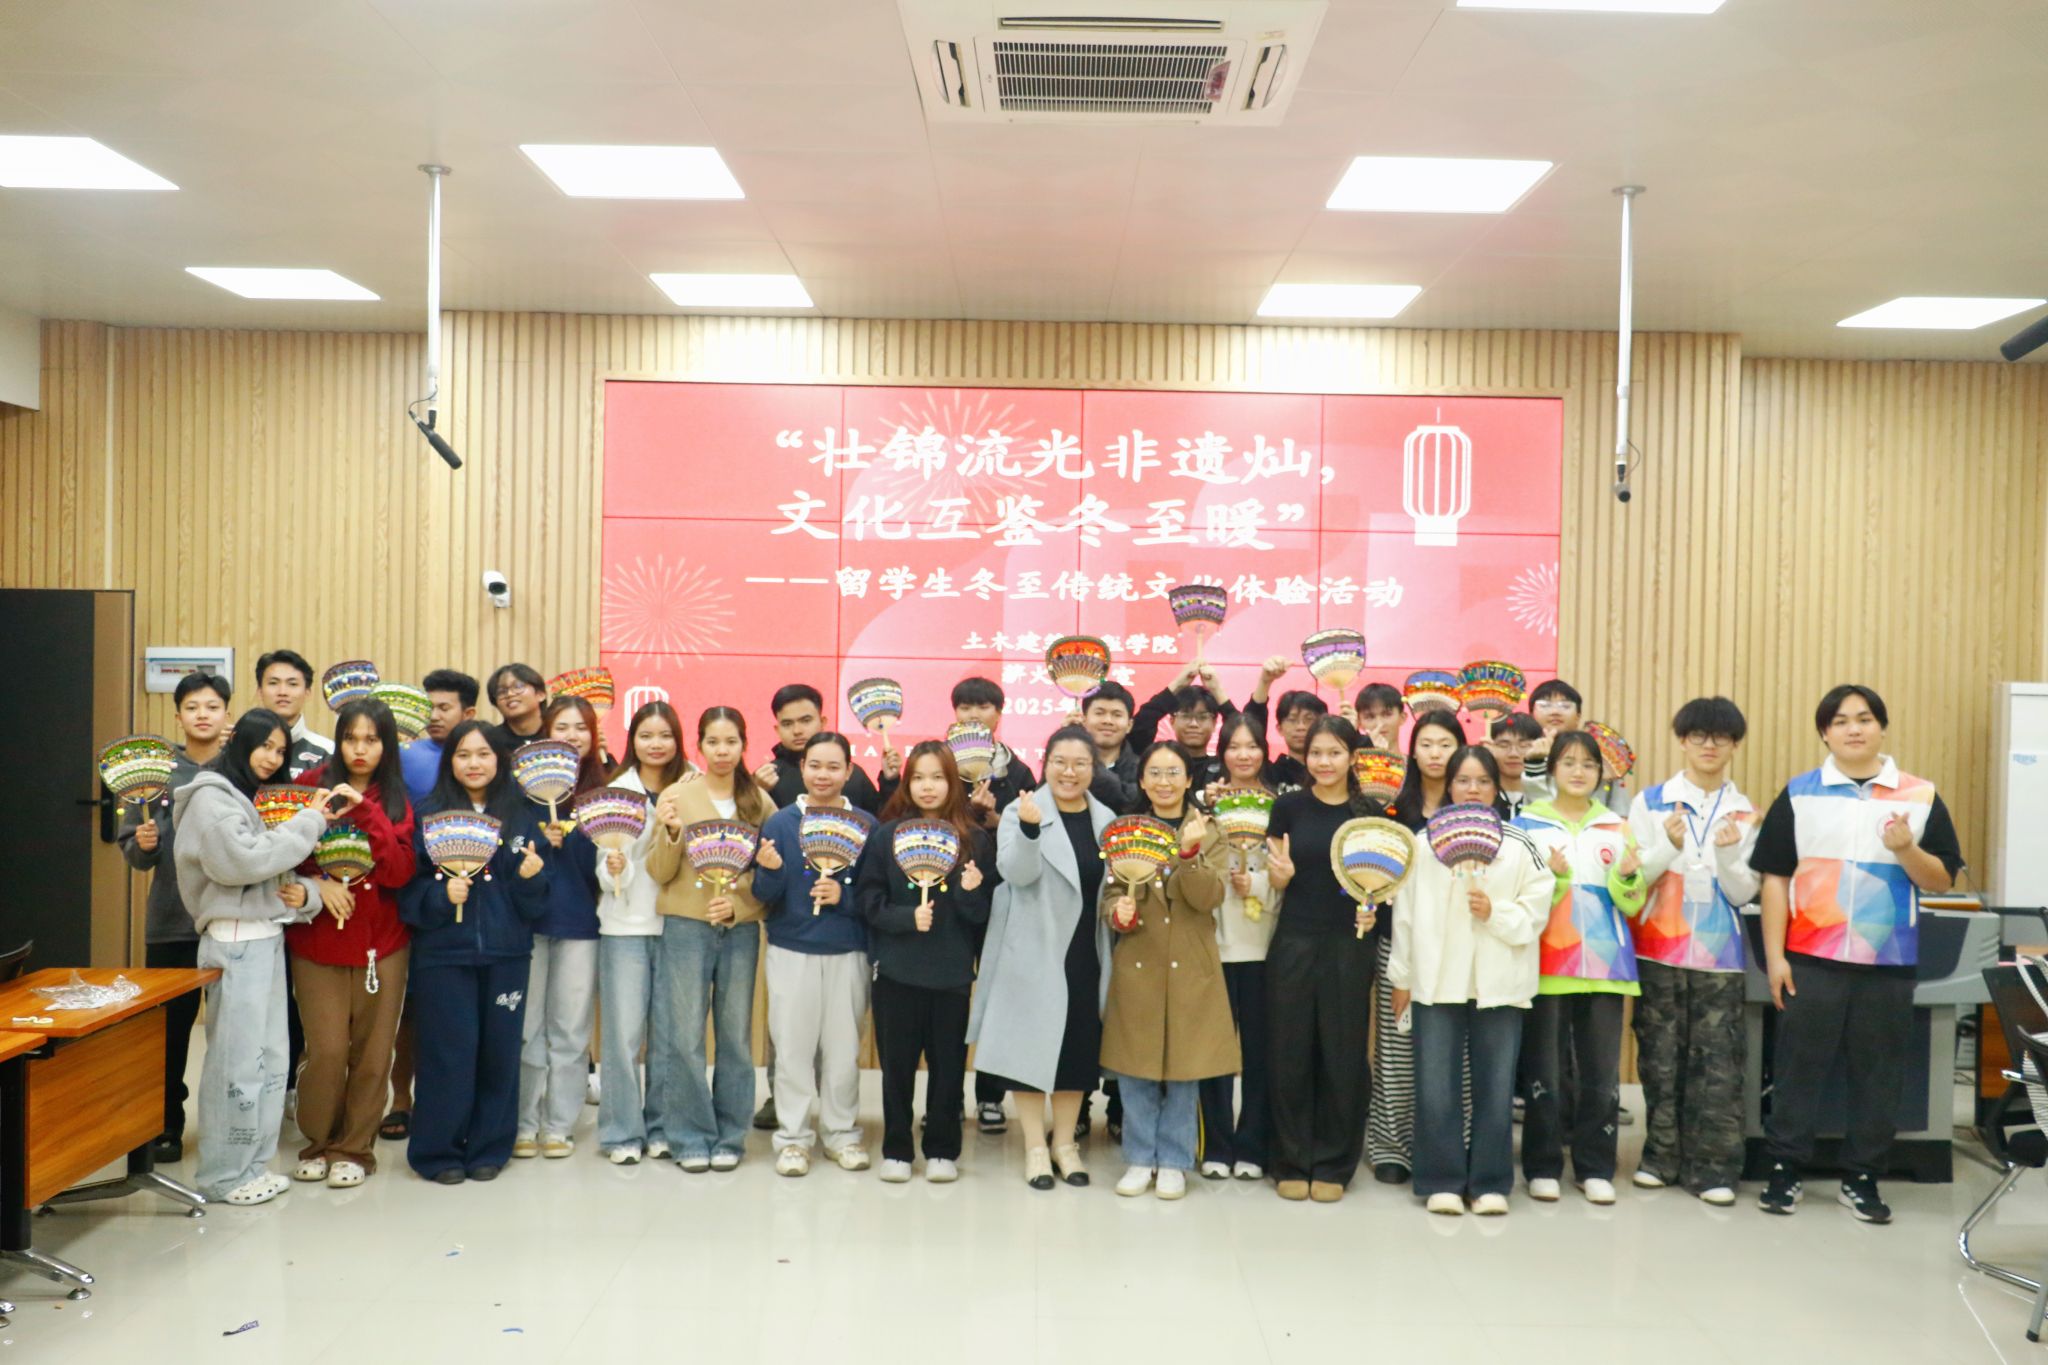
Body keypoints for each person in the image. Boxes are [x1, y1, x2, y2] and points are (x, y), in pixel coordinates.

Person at [1751, 684, 1963, 1224]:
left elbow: (1942, 879)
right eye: (1840, 720)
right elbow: (1774, 878)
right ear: (1825, 733)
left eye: (1864, 719)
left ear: (1881, 728)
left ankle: (1862, 1177)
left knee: (1879, 1074)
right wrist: (1776, 957)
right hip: (1810, 958)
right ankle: (1785, 1170)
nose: (1853, 729)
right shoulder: (1800, 793)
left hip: (1887, 965)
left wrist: (1906, 849)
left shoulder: (1920, 796)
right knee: (1798, 1068)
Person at [173, 708, 351, 1205]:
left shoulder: (246, 796)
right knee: (237, 1064)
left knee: (270, 1060)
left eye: (280, 750)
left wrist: (306, 895)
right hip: (235, 942)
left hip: (266, 936)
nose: (272, 758)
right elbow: (244, 862)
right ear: (241, 742)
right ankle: (223, 1176)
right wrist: (310, 821)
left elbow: (271, 871)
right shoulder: (211, 797)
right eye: (264, 746)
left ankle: (251, 1166)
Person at [1389, 744, 1551, 1215]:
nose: (1473, 789)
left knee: (1495, 1086)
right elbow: (1404, 916)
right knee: (1436, 1083)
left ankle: (1489, 1182)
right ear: (1449, 786)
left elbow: (1535, 912)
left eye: (1483, 781)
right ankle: (1441, 1179)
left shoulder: (1520, 845)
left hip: (1500, 982)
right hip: (1437, 978)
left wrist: (1494, 912)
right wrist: (1401, 976)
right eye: (1463, 780)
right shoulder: (1422, 844)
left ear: (1497, 788)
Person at [399, 720, 551, 1183]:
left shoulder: (521, 815)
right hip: (443, 955)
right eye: (463, 754)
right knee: (448, 1053)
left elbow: (535, 904)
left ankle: (489, 1148)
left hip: (507, 955)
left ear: (499, 760)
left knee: (499, 1053)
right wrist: (441, 896)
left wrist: (530, 879)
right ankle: (437, 1152)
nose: (474, 763)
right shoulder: (428, 814)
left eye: (483, 754)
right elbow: (407, 891)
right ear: (450, 762)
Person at [1628, 697, 1761, 1207]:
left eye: (1720, 737)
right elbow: (1633, 877)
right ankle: (1659, 1158)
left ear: (1734, 745)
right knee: (1659, 1059)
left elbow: (1744, 893)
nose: (1709, 745)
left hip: (1720, 957)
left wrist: (1726, 855)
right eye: (1699, 736)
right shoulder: (1650, 802)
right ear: (1682, 740)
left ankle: (1714, 1168)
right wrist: (1666, 845)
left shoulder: (1747, 813)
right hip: (1657, 950)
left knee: (1719, 1062)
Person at [970, 726, 1114, 1190]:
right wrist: (1030, 832)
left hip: (1085, 949)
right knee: (1029, 1048)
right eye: (1059, 762)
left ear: (1093, 768)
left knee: (1076, 1050)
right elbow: (1016, 873)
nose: (1069, 772)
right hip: (1032, 948)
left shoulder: (1106, 819)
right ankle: (1035, 1145)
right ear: (1045, 764)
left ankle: (1065, 1144)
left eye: (1080, 763)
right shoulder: (1022, 810)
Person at [1514, 730, 1647, 1205]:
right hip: (1547, 964)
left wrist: (1627, 878)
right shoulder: (1528, 825)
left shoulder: (1617, 827)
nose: (1578, 771)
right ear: (1551, 769)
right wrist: (1556, 880)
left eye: (1588, 764)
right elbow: (1521, 896)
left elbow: (1632, 903)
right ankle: (1542, 1165)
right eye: (1568, 762)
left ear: (1601, 773)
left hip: (1607, 969)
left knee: (1601, 1075)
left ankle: (1595, 1166)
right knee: (1545, 1073)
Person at [287, 698, 416, 1188]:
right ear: (338, 741)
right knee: (325, 1050)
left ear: (387, 745)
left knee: (373, 1052)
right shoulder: (310, 787)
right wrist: (318, 884)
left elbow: (400, 873)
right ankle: (318, 1140)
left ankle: (355, 1149)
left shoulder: (397, 799)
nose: (360, 749)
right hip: (316, 941)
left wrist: (368, 814)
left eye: (371, 740)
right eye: (350, 738)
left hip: (383, 946)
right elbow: (282, 855)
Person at [1101, 742, 1237, 1200]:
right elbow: (1111, 893)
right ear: (1141, 780)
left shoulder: (1209, 829)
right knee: (1136, 1069)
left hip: (1190, 964)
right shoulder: (1126, 831)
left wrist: (1189, 854)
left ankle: (1176, 1160)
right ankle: (1140, 1157)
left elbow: (1208, 897)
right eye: (1155, 772)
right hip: (1139, 959)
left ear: (1188, 779)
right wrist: (1117, 912)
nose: (1164, 781)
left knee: (1185, 1070)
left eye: (1173, 772)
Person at [646, 706, 775, 1171]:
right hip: (685, 927)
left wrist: (739, 904)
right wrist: (671, 833)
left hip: (739, 930)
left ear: (744, 745)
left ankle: (731, 1137)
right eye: (713, 742)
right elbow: (659, 872)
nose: (722, 751)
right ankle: (689, 1136)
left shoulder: (760, 802)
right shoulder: (677, 795)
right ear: (699, 746)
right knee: (684, 1036)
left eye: (731, 742)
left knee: (736, 1037)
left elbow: (770, 876)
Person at [857, 741, 993, 1182]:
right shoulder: (886, 836)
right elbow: (868, 900)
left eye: (937, 777)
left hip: (951, 975)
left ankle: (942, 1149)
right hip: (897, 972)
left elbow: (982, 917)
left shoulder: (975, 840)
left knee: (948, 1068)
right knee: (896, 1068)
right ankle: (897, 1150)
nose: (927, 786)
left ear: (952, 782)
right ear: (907, 782)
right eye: (918, 777)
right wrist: (904, 918)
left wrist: (970, 892)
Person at [1262, 715, 1380, 1202]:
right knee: (1289, 1052)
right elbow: (1276, 879)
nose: (1324, 762)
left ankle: (1333, 1163)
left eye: (1334, 752)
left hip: (1350, 943)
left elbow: (1382, 883)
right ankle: (1290, 1160)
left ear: (1352, 757)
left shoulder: (1369, 812)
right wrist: (1282, 875)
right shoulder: (1288, 807)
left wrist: (1373, 910)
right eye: (1316, 753)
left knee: (1342, 1053)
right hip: (1294, 940)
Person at [118, 669, 229, 1164]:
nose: (203, 715)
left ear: (226, 713)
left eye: (212, 706)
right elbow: (136, 855)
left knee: (232, 1031)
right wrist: (142, 845)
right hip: (171, 922)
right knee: (170, 1034)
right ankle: (166, 1124)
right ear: (178, 715)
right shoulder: (155, 773)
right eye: (193, 707)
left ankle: (230, 1126)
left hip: (229, 921)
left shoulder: (240, 767)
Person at [752, 731, 874, 1176]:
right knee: (792, 1049)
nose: (824, 775)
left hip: (848, 951)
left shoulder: (866, 825)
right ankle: (793, 1139)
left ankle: (841, 1134)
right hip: (791, 950)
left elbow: (876, 896)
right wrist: (770, 871)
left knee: (843, 1050)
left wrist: (844, 896)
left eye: (833, 767)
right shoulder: (780, 823)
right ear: (802, 768)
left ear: (849, 771)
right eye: (815, 765)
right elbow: (765, 896)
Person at [1371, 708, 1467, 1184]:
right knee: (1396, 1046)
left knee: (1456, 1052)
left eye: (1445, 745)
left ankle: (1454, 1142)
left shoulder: (1472, 806)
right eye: (1426, 744)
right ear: (1412, 751)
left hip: (1460, 945)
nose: (1435, 754)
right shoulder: (1393, 806)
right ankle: (1392, 1146)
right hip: (1399, 940)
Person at [594, 699, 691, 1163]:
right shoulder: (616, 790)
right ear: (632, 740)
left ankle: (663, 1127)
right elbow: (603, 863)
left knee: (671, 1034)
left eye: (665, 735)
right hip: (625, 926)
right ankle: (620, 1132)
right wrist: (615, 868)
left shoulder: (692, 786)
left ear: (678, 740)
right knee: (623, 1035)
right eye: (646, 735)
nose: (656, 744)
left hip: (679, 922)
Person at [515, 696, 607, 1160]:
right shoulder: (521, 790)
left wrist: (577, 841)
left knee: (570, 1031)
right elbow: (509, 850)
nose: (572, 736)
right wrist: (539, 840)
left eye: (581, 727)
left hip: (579, 926)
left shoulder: (602, 793)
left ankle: (559, 1124)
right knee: (527, 1029)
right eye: (562, 727)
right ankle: (523, 1123)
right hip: (528, 925)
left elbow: (602, 872)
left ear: (594, 735)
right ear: (546, 733)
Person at [1195, 714, 1285, 1181]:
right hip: (1213, 943)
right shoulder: (1204, 805)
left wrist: (1261, 885)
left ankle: (1252, 1145)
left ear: (1264, 752)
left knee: (1259, 1053)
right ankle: (1216, 1145)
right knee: (1212, 1051)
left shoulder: (1281, 807)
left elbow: (1290, 875)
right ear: (1222, 752)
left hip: (1263, 945)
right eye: (1234, 746)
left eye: (1252, 746)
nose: (1243, 755)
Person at [948, 674, 1034, 1134]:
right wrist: (964, 811)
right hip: (946, 896)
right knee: (951, 997)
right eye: (965, 707)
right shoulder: (939, 765)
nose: (974, 714)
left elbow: (1031, 834)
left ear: (998, 715)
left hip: (1000, 895)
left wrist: (996, 818)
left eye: (983, 707)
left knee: (998, 998)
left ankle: (990, 1097)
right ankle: (946, 1098)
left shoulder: (1018, 773)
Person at [755, 683, 881, 814]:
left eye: (806, 720)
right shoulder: (765, 778)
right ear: (777, 729)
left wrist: (889, 781)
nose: (797, 731)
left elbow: (881, 819)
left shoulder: (854, 775)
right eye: (787, 724)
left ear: (822, 722)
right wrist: (756, 793)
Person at [1525, 679, 1631, 815]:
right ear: (1531, 714)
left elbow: (1621, 812)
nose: (1555, 712)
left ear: (1578, 716)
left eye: (1565, 706)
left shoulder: (1600, 754)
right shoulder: (1519, 753)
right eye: (1545, 705)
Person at [1244, 656, 1325, 789]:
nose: (1301, 727)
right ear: (1279, 728)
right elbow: (1251, 727)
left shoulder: (1332, 771)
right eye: (1292, 720)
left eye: (1309, 719)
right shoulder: (1270, 773)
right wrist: (1265, 682)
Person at [402, 668, 478, 804]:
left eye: (444, 708)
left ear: (468, 714)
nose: (433, 717)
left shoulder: (489, 757)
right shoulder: (404, 754)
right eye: (428, 708)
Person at [256, 648, 332, 778]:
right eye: (273, 683)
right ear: (260, 692)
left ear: (307, 692)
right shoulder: (240, 747)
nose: (282, 692)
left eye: (292, 684)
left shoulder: (327, 751)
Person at [1080, 680, 1139, 811]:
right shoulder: (1068, 767)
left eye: (1117, 715)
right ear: (1084, 720)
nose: (1108, 721)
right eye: (1099, 713)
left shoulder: (1142, 769)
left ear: (1129, 725)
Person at [1487, 711, 1543, 819]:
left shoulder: (1548, 795)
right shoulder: (1481, 795)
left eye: (1524, 745)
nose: (1514, 753)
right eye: (1504, 745)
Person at [486, 663, 548, 746]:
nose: (510, 694)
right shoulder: (488, 742)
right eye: (501, 691)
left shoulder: (557, 734)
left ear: (540, 695)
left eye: (518, 686)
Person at [1353, 682, 1406, 753]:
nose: (1379, 724)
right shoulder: (1349, 759)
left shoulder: (1417, 760)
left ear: (1402, 718)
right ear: (1359, 722)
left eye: (1387, 714)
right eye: (1370, 717)